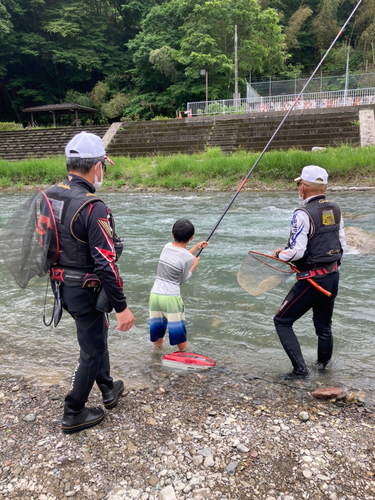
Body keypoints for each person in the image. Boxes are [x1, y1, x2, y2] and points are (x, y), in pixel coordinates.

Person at [45, 131, 134, 433]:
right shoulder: (92, 205)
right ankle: (74, 412)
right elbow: (105, 262)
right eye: (103, 167)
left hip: (62, 287)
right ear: (96, 166)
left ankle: (108, 389)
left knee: (96, 335)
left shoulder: (49, 195)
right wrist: (121, 307)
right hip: (86, 289)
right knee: (92, 349)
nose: (104, 172)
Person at [272, 165, 346, 380]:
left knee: (282, 321)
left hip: (312, 280)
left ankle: (300, 371)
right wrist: (333, 270)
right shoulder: (336, 209)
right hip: (332, 277)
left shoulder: (302, 213)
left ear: (303, 187)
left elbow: (297, 251)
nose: (298, 188)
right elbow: (342, 245)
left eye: (299, 184)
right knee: (324, 326)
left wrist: (279, 255)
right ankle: (323, 370)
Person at [149, 219, 208, 351]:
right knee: (179, 335)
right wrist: (194, 265)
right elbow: (183, 278)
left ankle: (156, 357)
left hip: (155, 295)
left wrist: (196, 248)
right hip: (171, 298)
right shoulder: (187, 258)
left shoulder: (166, 247)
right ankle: (185, 356)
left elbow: (180, 255)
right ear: (191, 237)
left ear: (172, 234)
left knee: (158, 334)